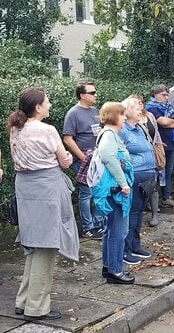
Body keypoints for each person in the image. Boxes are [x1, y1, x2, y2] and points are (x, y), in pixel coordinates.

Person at [8, 87, 79, 320]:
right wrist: (68, 158)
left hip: (25, 187)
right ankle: (36, 308)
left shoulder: (15, 129)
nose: (49, 105)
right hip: (46, 187)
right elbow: (65, 160)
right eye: (47, 102)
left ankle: (24, 301)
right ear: (37, 107)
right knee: (47, 245)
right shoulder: (47, 130)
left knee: (34, 244)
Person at [95, 102, 135, 284]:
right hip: (116, 191)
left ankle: (108, 266)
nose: (125, 118)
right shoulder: (110, 135)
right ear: (113, 116)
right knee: (119, 231)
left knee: (110, 230)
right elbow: (109, 157)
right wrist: (124, 183)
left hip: (112, 190)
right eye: (122, 114)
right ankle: (116, 271)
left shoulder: (108, 134)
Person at [63, 81, 105, 239]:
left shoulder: (95, 111)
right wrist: (82, 157)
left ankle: (98, 223)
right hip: (83, 159)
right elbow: (68, 139)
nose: (95, 95)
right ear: (82, 95)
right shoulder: (73, 113)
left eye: (95, 92)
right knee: (86, 193)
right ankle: (88, 228)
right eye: (92, 93)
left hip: (97, 158)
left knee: (98, 190)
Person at [119, 96, 156, 265]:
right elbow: (120, 154)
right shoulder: (123, 130)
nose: (139, 109)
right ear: (126, 112)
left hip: (147, 177)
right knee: (131, 214)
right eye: (135, 108)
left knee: (139, 213)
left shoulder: (139, 128)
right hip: (134, 177)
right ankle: (125, 250)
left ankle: (135, 245)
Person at [145, 84, 174, 207]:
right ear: (156, 95)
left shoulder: (168, 107)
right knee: (157, 172)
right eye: (164, 95)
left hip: (171, 142)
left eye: (167, 94)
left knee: (168, 171)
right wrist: (171, 122)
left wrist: (170, 123)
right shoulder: (151, 108)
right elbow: (162, 122)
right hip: (159, 145)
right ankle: (152, 201)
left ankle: (166, 196)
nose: (166, 97)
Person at [131, 93, 162, 227]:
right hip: (139, 161)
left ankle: (155, 214)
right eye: (137, 103)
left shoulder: (149, 116)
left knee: (153, 184)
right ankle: (139, 211)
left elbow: (156, 133)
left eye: (141, 102)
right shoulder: (130, 121)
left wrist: (160, 148)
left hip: (153, 153)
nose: (140, 105)